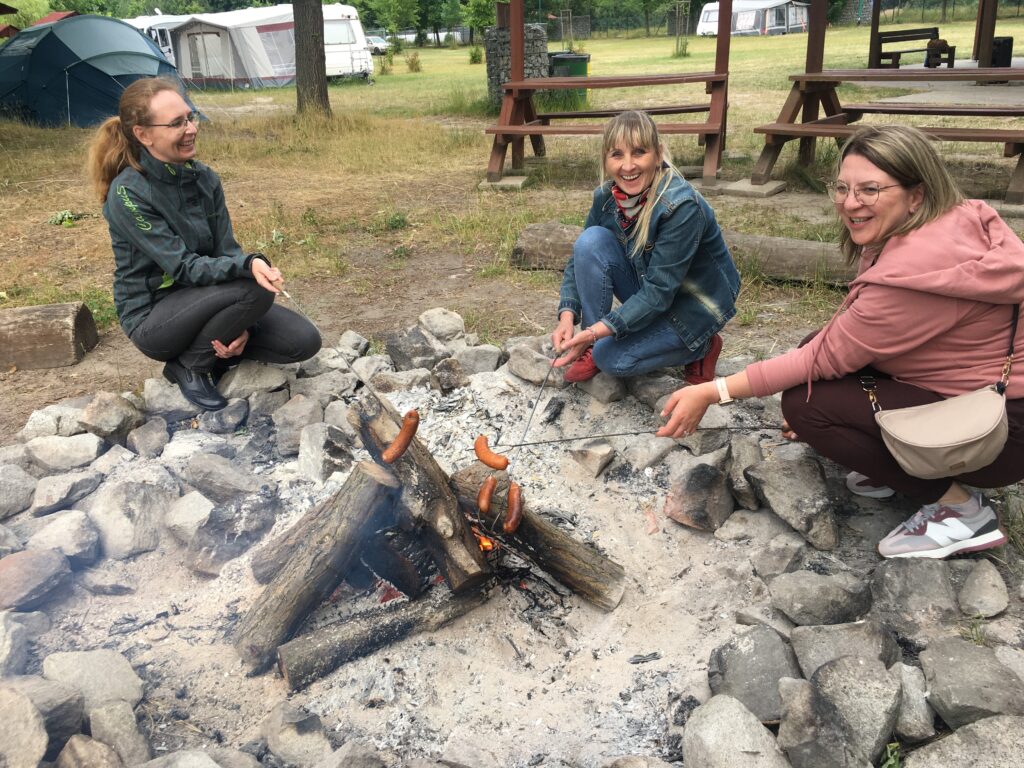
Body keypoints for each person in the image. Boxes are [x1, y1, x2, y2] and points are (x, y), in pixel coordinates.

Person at [657, 124, 1024, 560]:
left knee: (807, 405)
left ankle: (960, 509)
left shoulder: (912, 280)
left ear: (916, 194)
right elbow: (840, 338)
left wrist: (712, 392)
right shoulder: (954, 218)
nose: (851, 204)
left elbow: (823, 358)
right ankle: (895, 463)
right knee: (819, 363)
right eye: (843, 188)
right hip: (982, 396)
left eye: (870, 189)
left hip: (995, 433)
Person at [88, 77, 321, 411]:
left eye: (190, 117)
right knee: (255, 288)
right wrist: (248, 268)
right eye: (176, 123)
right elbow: (183, 267)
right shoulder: (128, 193)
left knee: (304, 341)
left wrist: (244, 325)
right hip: (154, 317)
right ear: (143, 134)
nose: (191, 128)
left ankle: (221, 350)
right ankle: (190, 364)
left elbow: (226, 250)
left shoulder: (205, 178)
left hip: (210, 299)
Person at [551, 110, 740, 385]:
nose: (628, 166)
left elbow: (659, 293)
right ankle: (590, 347)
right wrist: (567, 316)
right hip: (650, 288)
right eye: (617, 154)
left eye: (639, 152)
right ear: (606, 159)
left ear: (658, 153)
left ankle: (702, 347)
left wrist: (595, 331)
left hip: (693, 306)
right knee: (590, 241)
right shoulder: (605, 197)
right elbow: (577, 262)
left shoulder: (680, 206)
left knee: (613, 359)